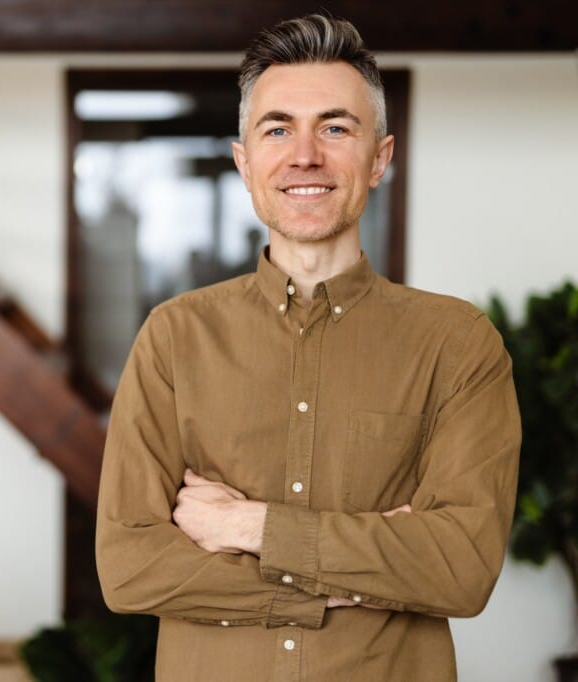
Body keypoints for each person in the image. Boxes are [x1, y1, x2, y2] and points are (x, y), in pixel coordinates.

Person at [95, 14, 521, 681]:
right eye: (277, 129)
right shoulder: (175, 336)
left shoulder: (458, 345)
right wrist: (352, 578)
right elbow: (129, 567)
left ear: (378, 158)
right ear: (245, 163)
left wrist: (249, 528)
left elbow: (460, 568)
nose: (304, 156)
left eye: (334, 127)